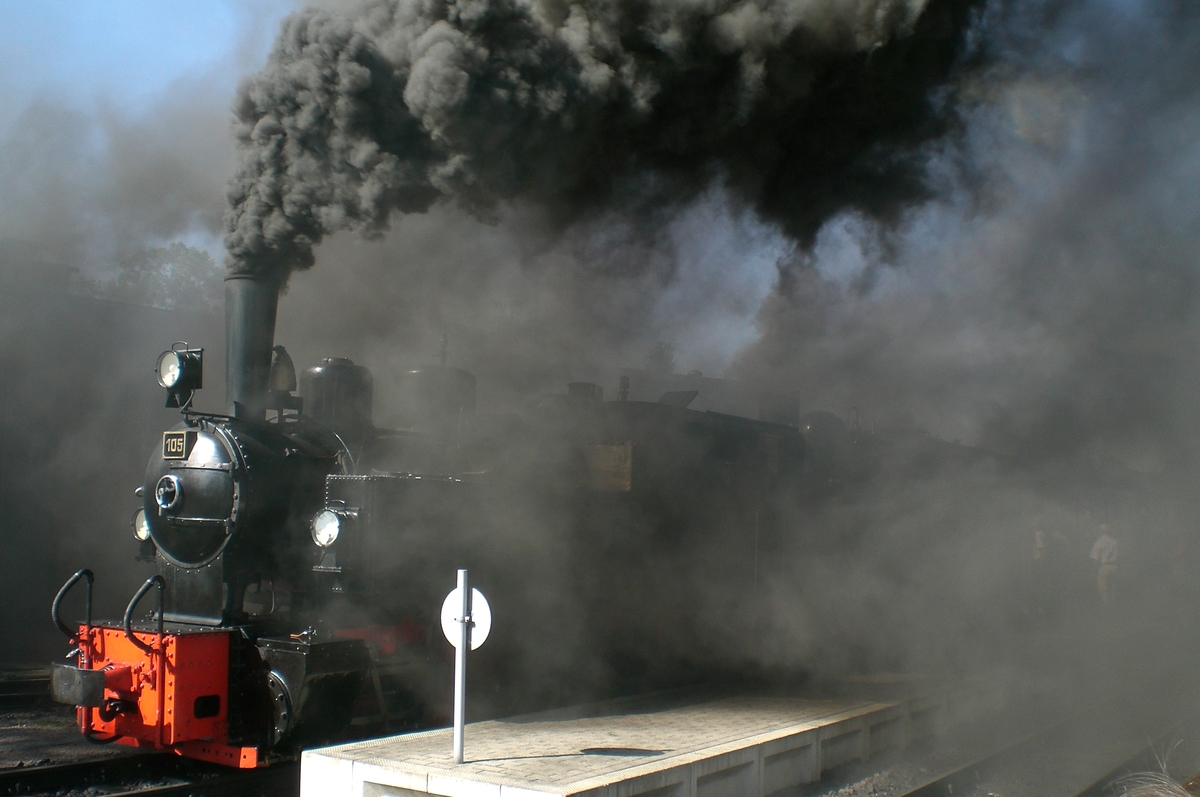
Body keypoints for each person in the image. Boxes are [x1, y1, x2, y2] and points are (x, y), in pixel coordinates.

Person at [1090, 525, 1119, 606]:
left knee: (1104, 589)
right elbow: (1119, 556)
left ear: (1100, 532)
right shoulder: (1115, 542)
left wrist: (1093, 571)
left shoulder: (1098, 543)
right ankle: (1115, 607)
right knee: (1113, 588)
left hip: (1104, 567)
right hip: (1114, 567)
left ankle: (1107, 608)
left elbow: (1095, 559)